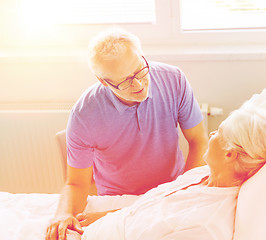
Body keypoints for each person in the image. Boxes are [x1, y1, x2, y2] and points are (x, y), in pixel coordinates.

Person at [46, 27, 208, 240]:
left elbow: (198, 141)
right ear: (103, 81)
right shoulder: (84, 114)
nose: (139, 84)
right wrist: (63, 214)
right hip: (117, 199)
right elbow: (76, 183)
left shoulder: (174, 80)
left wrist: (184, 189)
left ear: (142, 56)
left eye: (140, 70)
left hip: (170, 190)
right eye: (125, 81)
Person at [64, 103, 266, 240]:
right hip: (102, 226)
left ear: (230, 154)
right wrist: (105, 216)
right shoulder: (200, 175)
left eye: (219, 132)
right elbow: (153, 206)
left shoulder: (205, 226)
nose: (211, 136)